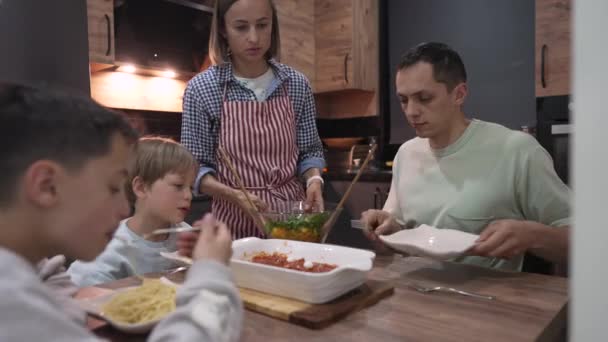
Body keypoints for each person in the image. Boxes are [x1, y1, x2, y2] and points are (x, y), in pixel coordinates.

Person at [0, 83, 242, 341]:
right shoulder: (10, 302)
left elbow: (51, 280)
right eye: (114, 187)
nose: (124, 208)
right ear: (47, 185)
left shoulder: (29, 269)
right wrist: (211, 271)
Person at [361, 42, 570, 271]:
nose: (411, 111)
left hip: (487, 301)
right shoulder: (406, 154)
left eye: (424, 98)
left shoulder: (516, 151)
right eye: (404, 100)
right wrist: (389, 229)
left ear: (459, 94)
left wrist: (532, 235)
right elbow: (400, 230)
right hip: (417, 295)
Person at [181, 0, 325, 239]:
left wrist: (314, 181)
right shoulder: (203, 89)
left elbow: (310, 151)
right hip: (232, 230)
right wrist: (236, 195)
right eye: (241, 27)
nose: (254, 38)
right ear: (223, 30)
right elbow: (195, 169)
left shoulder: (296, 84)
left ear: (273, 26)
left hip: (292, 225)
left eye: (262, 25)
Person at [68, 137, 197, 286]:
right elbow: (78, 294)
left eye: (191, 187)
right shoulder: (109, 247)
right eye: (178, 185)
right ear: (141, 188)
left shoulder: (187, 235)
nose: (189, 195)